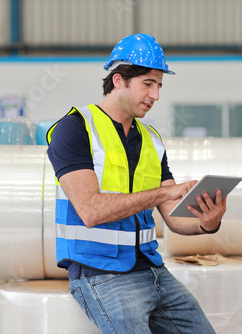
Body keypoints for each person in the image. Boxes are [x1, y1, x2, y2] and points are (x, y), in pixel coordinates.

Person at [46, 33, 224, 334]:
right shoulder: (75, 128)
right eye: (148, 84)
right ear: (119, 80)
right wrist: (165, 191)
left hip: (154, 270)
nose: (155, 96)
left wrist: (207, 223)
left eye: (159, 86)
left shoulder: (152, 140)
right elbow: (90, 211)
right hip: (100, 273)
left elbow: (174, 217)